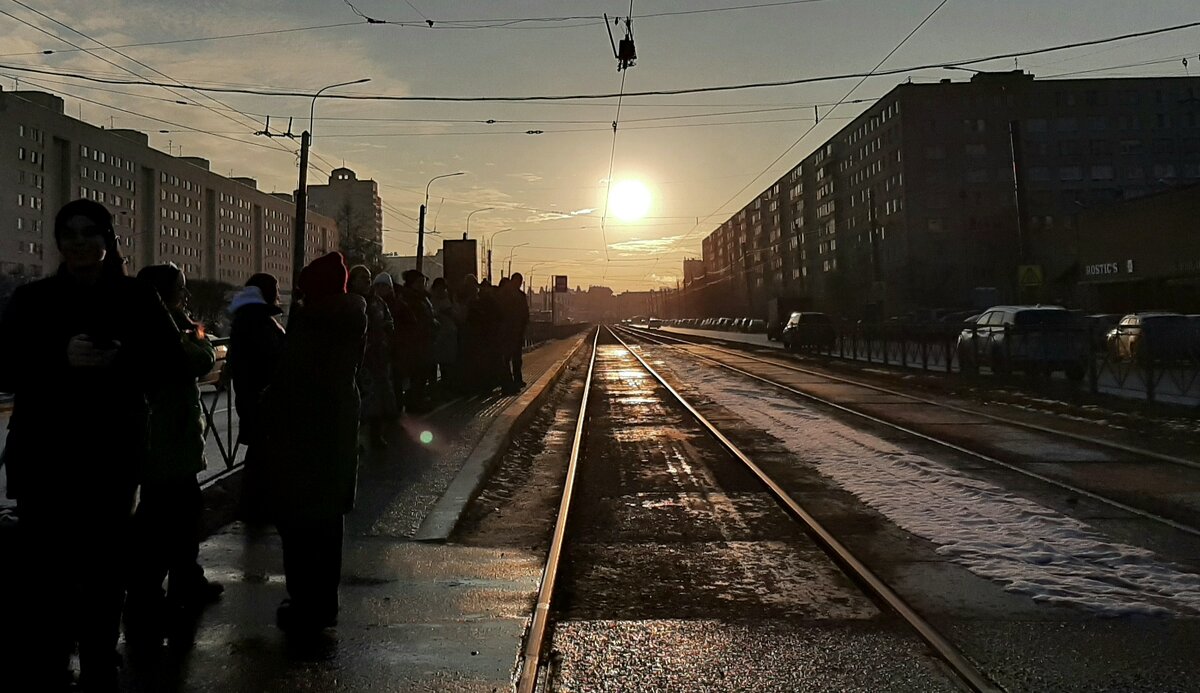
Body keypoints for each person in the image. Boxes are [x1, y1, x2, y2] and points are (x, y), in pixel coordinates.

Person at [0, 199, 184, 690]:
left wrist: (121, 361)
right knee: (48, 571)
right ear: (58, 241)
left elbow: (171, 366)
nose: (79, 242)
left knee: (106, 568)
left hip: (110, 455)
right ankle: (52, 658)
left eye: (90, 233)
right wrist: (60, 358)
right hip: (45, 456)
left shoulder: (135, 298)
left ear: (107, 240)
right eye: (69, 233)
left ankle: (100, 656)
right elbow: (5, 365)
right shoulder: (32, 300)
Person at [261, 252, 366, 631]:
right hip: (334, 428)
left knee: (300, 524)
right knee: (326, 523)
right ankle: (322, 601)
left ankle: (306, 602)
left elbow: (292, 379)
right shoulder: (349, 318)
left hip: (305, 433)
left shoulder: (313, 323)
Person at [126, 264, 220, 641]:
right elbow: (197, 359)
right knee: (161, 521)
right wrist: (200, 339)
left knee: (179, 516)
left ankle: (181, 582)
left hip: (170, 438)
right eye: (180, 288)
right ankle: (148, 595)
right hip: (164, 438)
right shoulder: (158, 327)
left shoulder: (163, 322)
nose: (185, 295)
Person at [226, 273, 286, 524]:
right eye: (276, 289)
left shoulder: (250, 317)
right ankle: (255, 508)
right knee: (262, 453)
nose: (279, 293)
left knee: (261, 452)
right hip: (260, 396)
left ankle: (255, 506)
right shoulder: (257, 321)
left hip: (254, 394)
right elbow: (269, 357)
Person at [350, 266, 397, 449]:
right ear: (353, 280)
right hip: (358, 360)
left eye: (368, 278)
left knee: (378, 399)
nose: (367, 282)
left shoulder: (377, 302)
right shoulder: (351, 302)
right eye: (362, 278)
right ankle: (355, 439)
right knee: (359, 400)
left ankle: (376, 436)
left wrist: (386, 332)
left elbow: (389, 321)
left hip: (378, 358)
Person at [398, 269, 438, 412]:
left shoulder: (423, 298)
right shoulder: (409, 299)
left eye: (423, 282)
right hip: (415, 344)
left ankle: (418, 401)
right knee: (416, 375)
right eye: (419, 282)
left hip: (426, 342)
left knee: (422, 375)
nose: (423, 285)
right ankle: (413, 404)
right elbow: (413, 322)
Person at [497, 272, 530, 393]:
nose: (519, 284)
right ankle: (510, 382)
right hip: (510, 331)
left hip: (513, 330)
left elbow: (525, 314)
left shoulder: (512, 295)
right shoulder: (510, 295)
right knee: (509, 358)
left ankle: (515, 380)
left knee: (514, 357)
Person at [429, 277, 459, 393]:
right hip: (438, 335)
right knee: (439, 362)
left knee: (448, 363)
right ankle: (440, 389)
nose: (441, 291)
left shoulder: (448, 298)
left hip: (449, 333)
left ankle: (447, 387)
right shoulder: (431, 299)